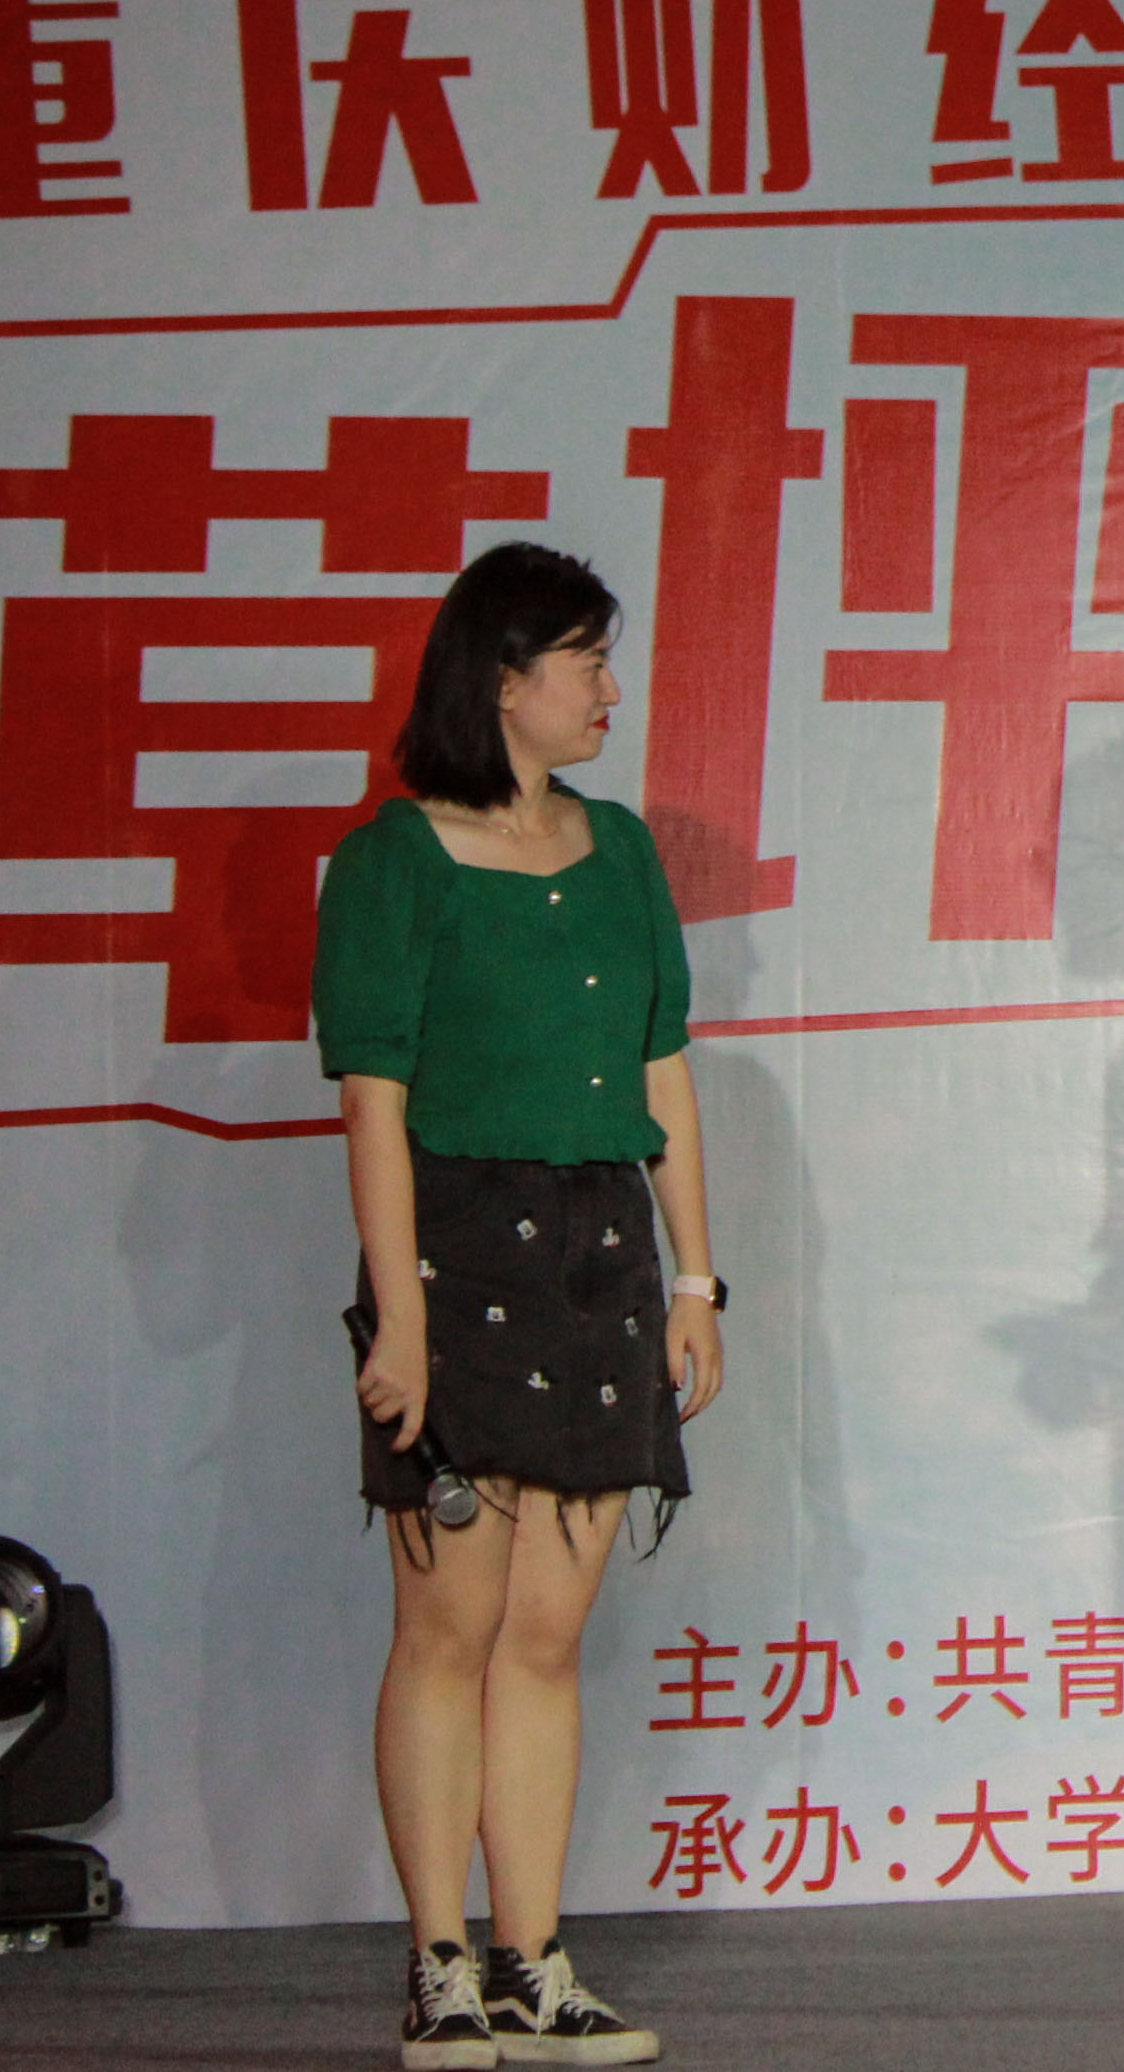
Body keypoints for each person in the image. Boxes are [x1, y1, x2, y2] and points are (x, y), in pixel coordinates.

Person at [313, 543, 723, 2069]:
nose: (611, 686)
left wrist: (695, 1275)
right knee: (450, 1620)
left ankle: (534, 1956)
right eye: (586, 659)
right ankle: (440, 1963)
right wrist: (402, 1314)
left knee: (547, 1632)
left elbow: (663, 1063)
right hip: (459, 1246)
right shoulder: (393, 860)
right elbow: (373, 1097)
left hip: (601, 1250)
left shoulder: (618, 849)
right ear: (503, 679)